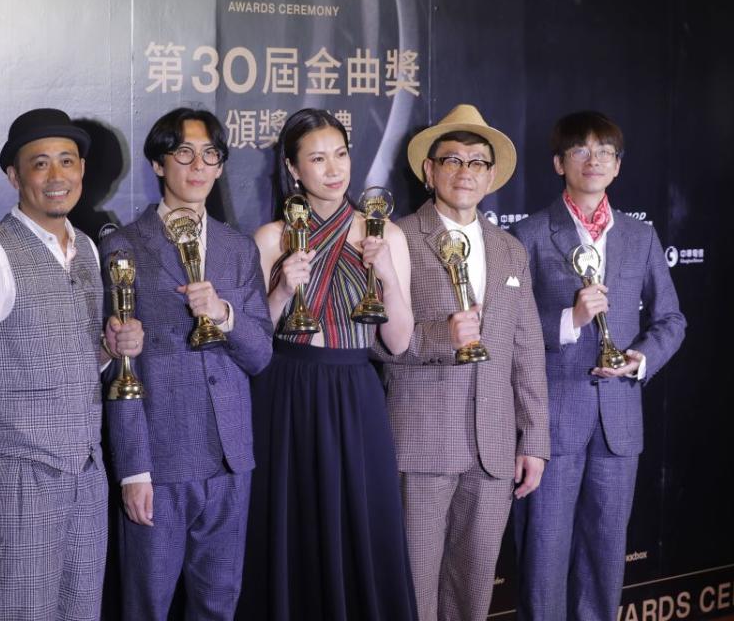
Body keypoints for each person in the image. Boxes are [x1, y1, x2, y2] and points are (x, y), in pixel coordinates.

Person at [0, 107, 143, 620]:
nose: (57, 177)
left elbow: (72, 361)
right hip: (19, 477)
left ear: (82, 172)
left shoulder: (90, 251)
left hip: (86, 473)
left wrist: (110, 348)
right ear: (15, 176)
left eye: (67, 162)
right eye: (41, 164)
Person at [238, 108, 418, 620]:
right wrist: (279, 291)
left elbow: (399, 342)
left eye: (340, 155)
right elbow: (253, 341)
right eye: (317, 159)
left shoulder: (385, 235)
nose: (334, 169)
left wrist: (384, 273)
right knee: (291, 525)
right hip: (285, 391)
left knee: (365, 522)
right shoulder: (271, 238)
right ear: (294, 170)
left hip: (357, 391)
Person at [373, 104, 549, 621]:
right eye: (452, 159)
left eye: (476, 162)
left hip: (493, 450)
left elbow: (526, 350)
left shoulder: (510, 250)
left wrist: (534, 439)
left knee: (473, 590)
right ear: (429, 171)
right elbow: (376, 341)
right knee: (414, 588)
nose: (464, 172)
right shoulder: (397, 238)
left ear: (491, 176)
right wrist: (440, 336)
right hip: (423, 443)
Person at [511, 111, 686, 621]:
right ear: (559, 162)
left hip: (618, 423)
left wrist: (639, 359)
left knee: (605, 559)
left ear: (618, 166)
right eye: (582, 151)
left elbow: (671, 318)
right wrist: (571, 318)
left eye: (605, 152)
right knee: (543, 560)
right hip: (551, 424)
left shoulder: (639, 236)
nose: (595, 160)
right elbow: (513, 331)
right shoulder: (529, 234)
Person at [100, 107, 272, 620]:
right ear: (158, 163)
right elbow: (119, 368)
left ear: (220, 168)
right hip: (161, 461)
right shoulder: (122, 247)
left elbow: (260, 355)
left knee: (219, 605)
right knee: (147, 606)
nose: (197, 166)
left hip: (230, 459)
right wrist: (133, 469)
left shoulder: (238, 250)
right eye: (183, 153)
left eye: (210, 155)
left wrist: (223, 314)